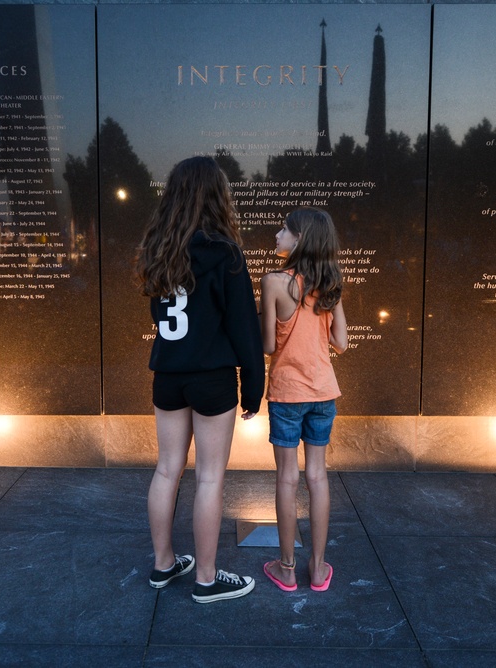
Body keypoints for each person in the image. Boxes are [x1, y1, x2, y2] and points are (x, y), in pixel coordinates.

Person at [136, 156, 265, 603]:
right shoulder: (225, 253)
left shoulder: (158, 249)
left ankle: (163, 564)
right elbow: (244, 326)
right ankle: (206, 579)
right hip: (211, 378)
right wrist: (254, 385)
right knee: (209, 479)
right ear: (217, 195)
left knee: (167, 470)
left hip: (167, 376)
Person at [260, 207, 347, 593]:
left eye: (284, 229)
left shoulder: (274, 282)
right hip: (324, 392)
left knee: (286, 477)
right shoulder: (329, 286)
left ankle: (287, 568)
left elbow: (267, 345)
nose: (277, 235)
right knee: (317, 476)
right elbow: (341, 343)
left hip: (286, 392)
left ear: (299, 239)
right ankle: (317, 568)